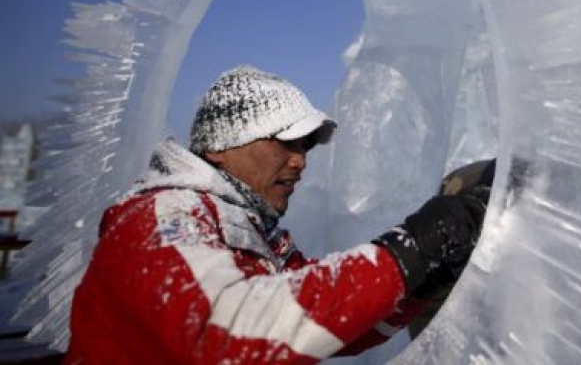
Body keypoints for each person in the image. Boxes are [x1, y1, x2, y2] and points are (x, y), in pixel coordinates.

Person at [65, 65, 489, 364]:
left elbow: (330, 326)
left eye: (305, 147)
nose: (300, 161)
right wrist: (411, 249)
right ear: (221, 144)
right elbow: (220, 332)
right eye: (286, 143)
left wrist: (421, 282)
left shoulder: (257, 234)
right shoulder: (162, 214)